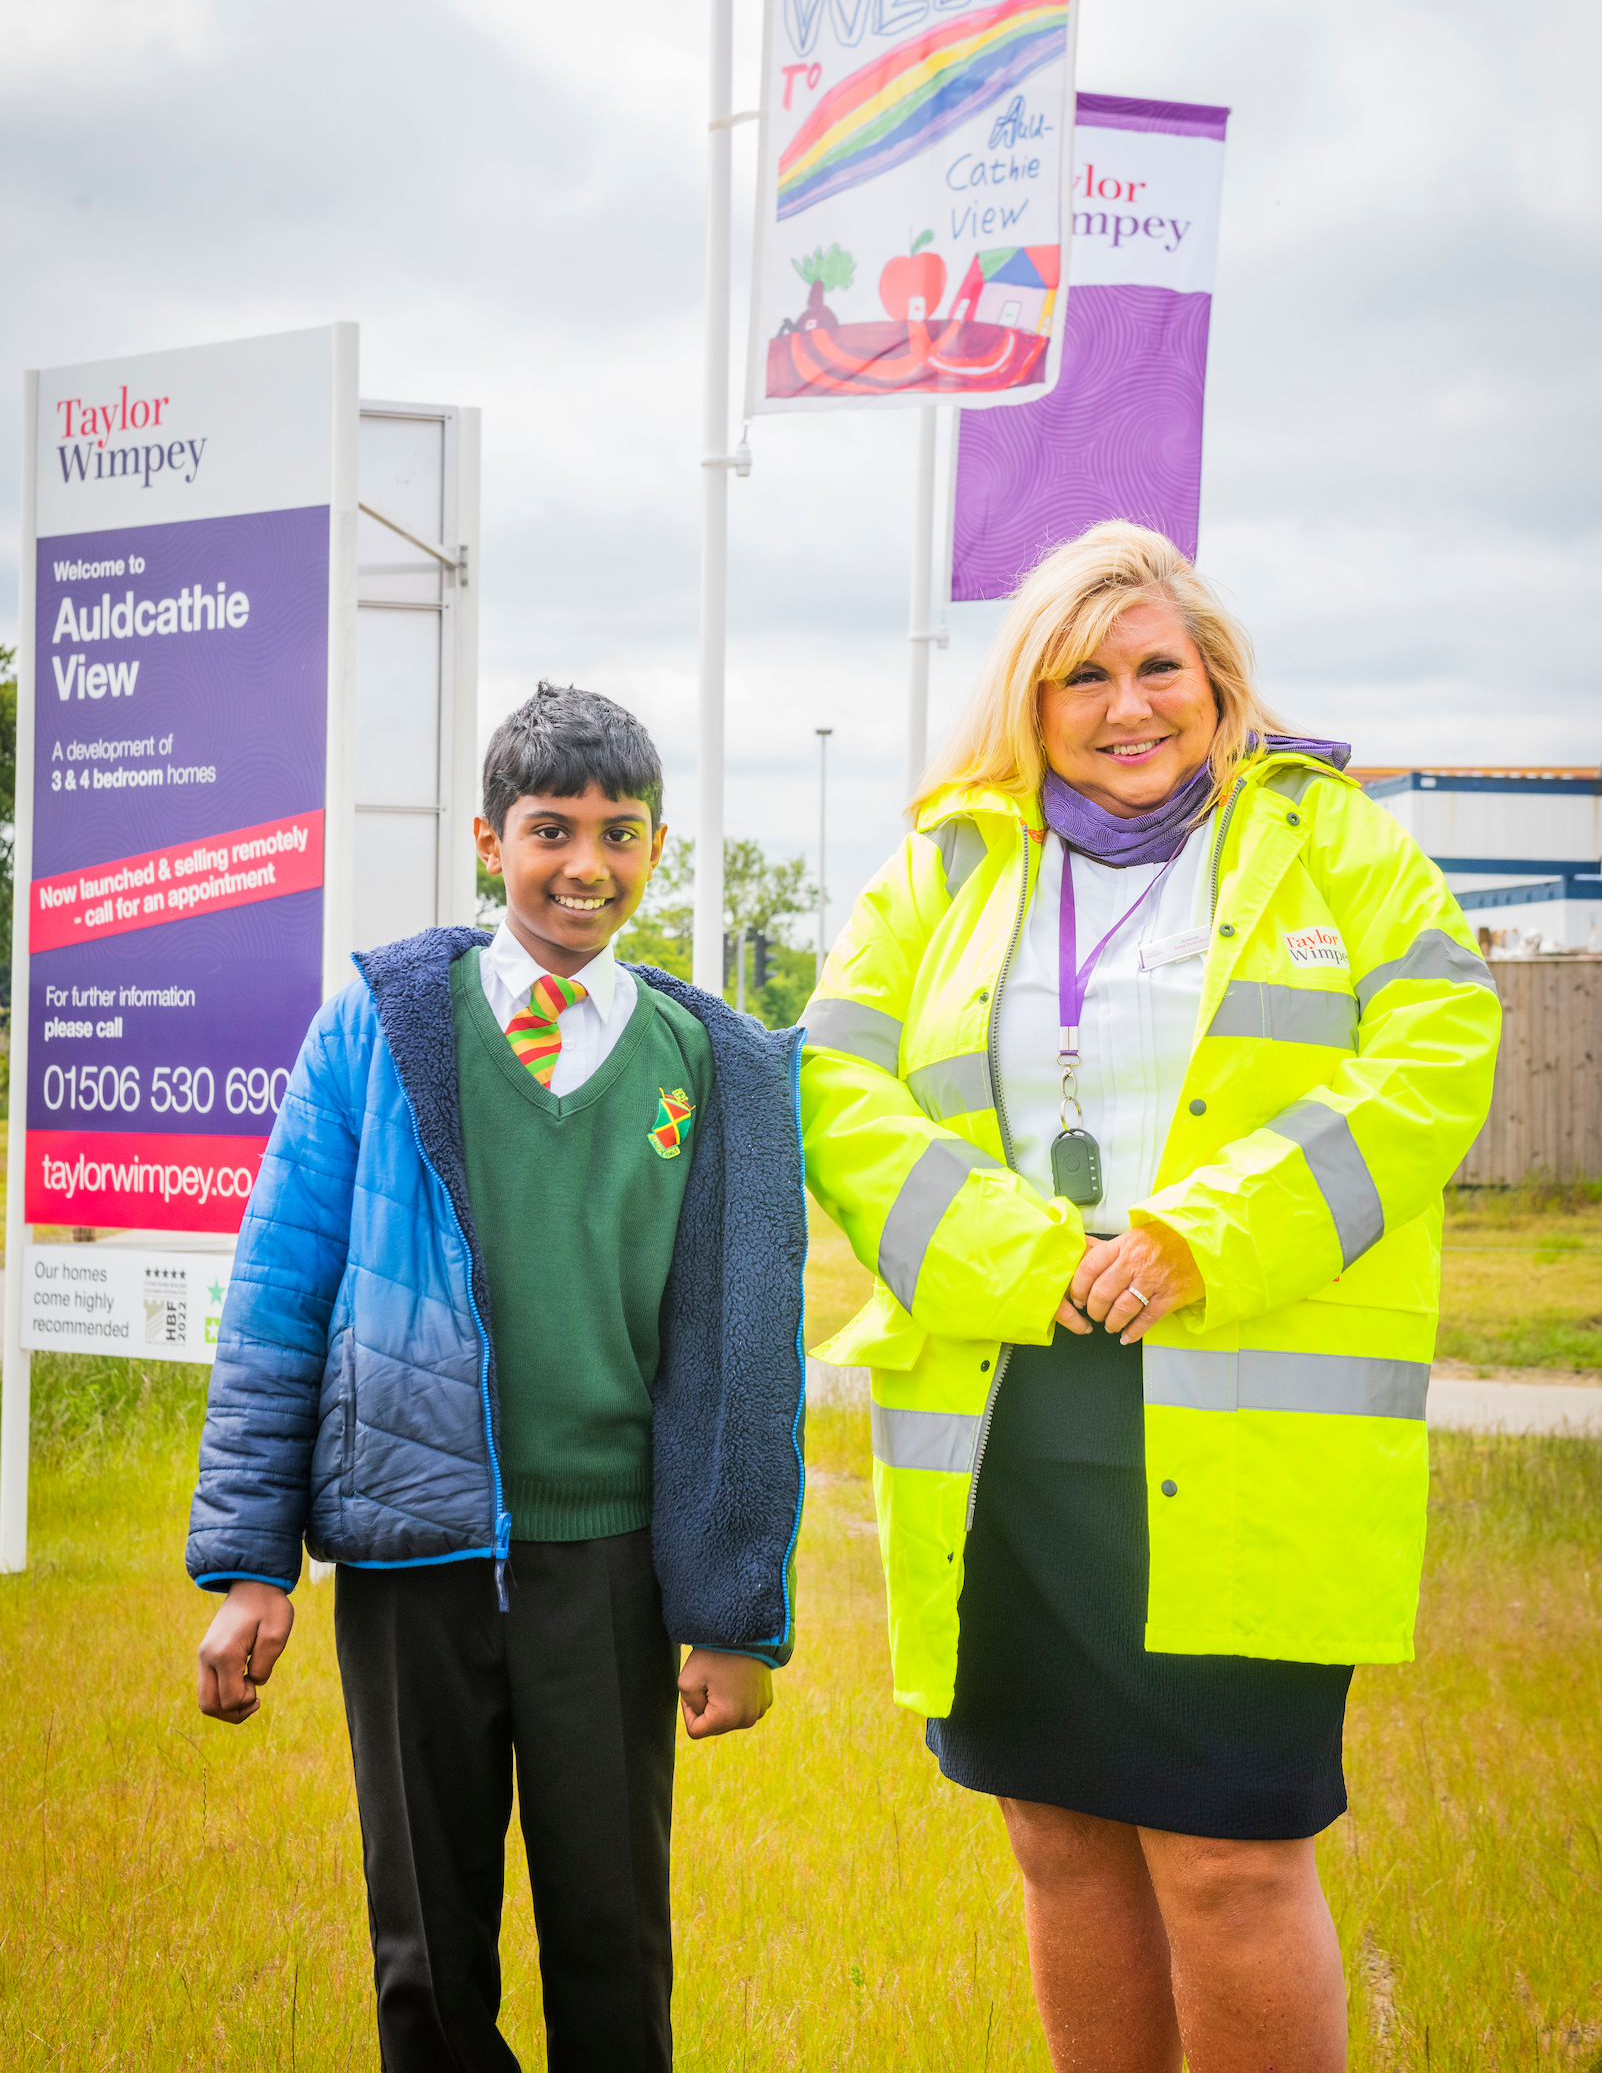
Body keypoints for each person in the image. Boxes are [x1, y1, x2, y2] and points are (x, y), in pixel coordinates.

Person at [801, 523, 1499, 2073]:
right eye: (1083, 677)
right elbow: (834, 1081)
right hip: (1012, 1416)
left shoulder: (1335, 844)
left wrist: (1204, 1237)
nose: (1128, 706)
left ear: (1215, 681)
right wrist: (1010, 1253)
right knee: (1057, 1838)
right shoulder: (948, 860)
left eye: (1157, 668)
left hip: (1240, 1422)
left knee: (1229, 1856)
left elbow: (1440, 1052)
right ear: (1031, 702)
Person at [188, 681, 807, 2073]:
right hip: (415, 1553)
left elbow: (743, 1353)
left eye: (621, 833)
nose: (585, 865)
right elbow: (279, 1294)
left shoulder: (711, 1061)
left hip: (612, 1562)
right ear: (488, 840)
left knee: (612, 1938)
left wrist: (735, 1615)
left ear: (656, 847)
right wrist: (249, 1564)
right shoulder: (381, 1023)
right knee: (424, 1942)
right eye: (549, 830)